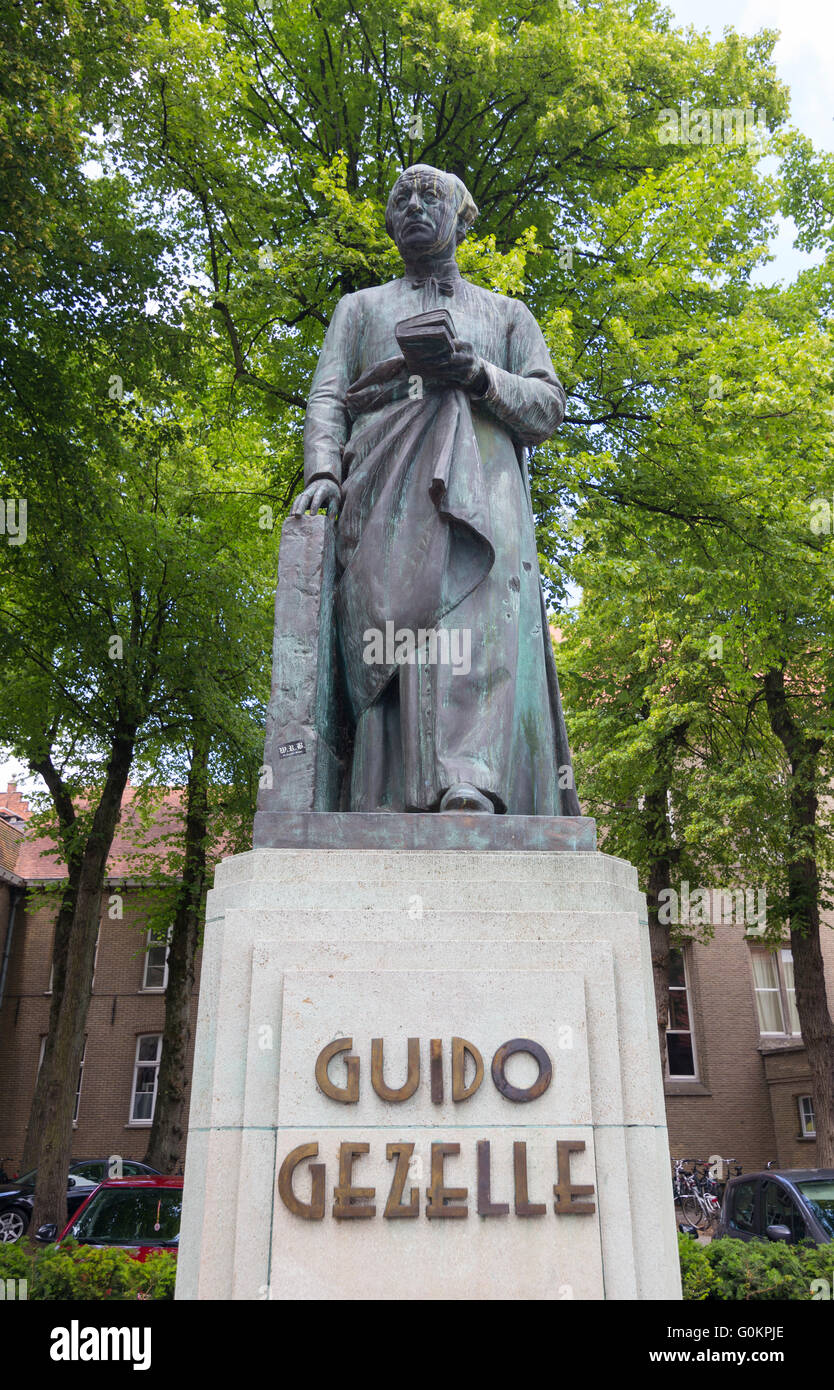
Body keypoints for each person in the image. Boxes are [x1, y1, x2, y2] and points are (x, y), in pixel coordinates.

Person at [291, 164, 579, 817]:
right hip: (383, 483)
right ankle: (386, 790)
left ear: (462, 216)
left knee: (477, 626)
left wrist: (477, 375)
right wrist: (322, 474)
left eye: (432, 195)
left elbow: (547, 405)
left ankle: (470, 780)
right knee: (396, 629)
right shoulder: (359, 308)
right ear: (390, 223)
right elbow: (328, 398)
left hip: (485, 482)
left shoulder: (507, 314)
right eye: (402, 199)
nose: (415, 205)